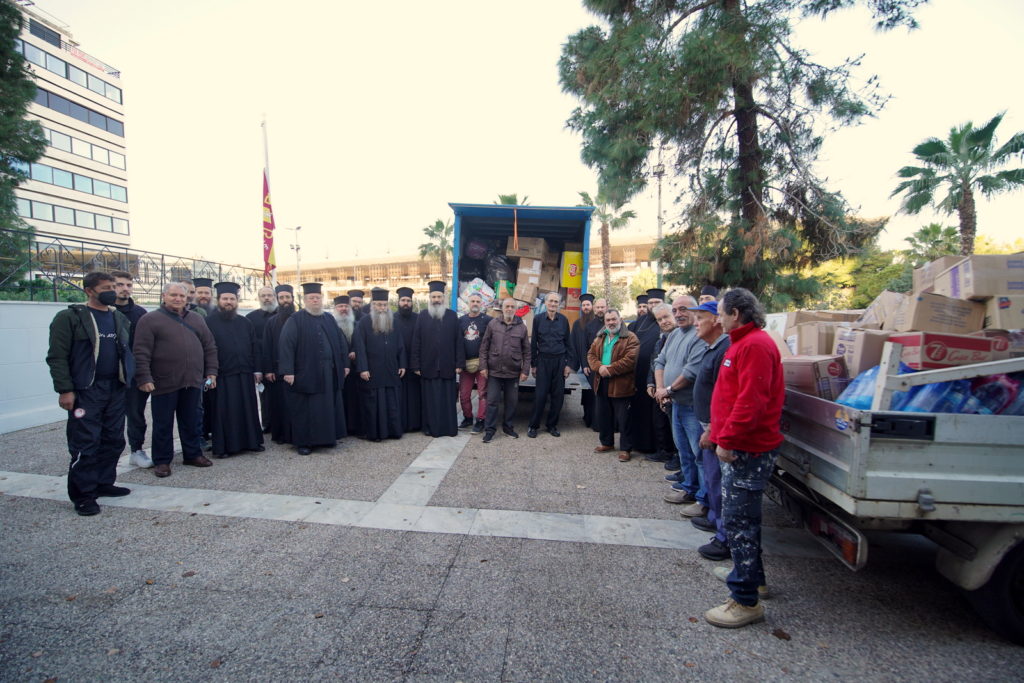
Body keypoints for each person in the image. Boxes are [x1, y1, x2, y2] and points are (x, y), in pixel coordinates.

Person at [704, 288, 785, 629]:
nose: (717, 318)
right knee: (745, 521)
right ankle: (752, 576)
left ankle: (744, 600)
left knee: (739, 523)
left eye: (721, 312)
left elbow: (750, 402)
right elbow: (731, 397)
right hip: (739, 446)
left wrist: (729, 440)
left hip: (746, 450)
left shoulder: (754, 345)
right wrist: (714, 432)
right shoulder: (742, 343)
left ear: (736, 313)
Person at [46, 271, 133, 516]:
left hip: (114, 388)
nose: (112, 291)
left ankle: (104, 482)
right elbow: (57, 357)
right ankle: (83, 495)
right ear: (89, 291)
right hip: (86, 390)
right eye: (106, 287)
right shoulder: (70, 317)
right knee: (86, 442)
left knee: (113, 439)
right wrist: (65, 390)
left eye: (113, 287)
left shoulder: (118, 318)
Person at [133, 282, 218, 478]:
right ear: (164, 296)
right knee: (163, 424)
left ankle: (193, 454)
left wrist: (211, 372)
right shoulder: (150, 320)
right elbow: (141, 351)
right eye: (173, 295)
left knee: (192, 420)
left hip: (193, 380)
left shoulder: (196, 319)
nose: (178, 299)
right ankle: (162, 461)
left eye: (182, 295)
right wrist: (144, 377)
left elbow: (209, 346)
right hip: (163, 381)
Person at [278, 282, 349, 455]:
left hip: (328, 372)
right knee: (306, 410)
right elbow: (286, 345)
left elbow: (340, 343)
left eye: (318, 297)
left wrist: (344, 365)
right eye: (311, 298)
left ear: (322, 299)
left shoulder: (329, 318)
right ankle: (305, 443)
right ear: (305, 300)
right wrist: (288, 371)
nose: (315, 301)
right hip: (305, 372)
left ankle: (326, 439)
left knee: (327, 407)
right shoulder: (295, 319)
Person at [687, 300, 732, 561]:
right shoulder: (712, 348)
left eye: (700, 317)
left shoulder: (725, 349)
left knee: (719, 482)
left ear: (716, 320)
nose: (696, 323)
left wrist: (712, 429)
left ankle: (724, 536)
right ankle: (715, 520)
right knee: (713, 481)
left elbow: (723, 395)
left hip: (715, 430)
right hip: (709, 427)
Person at [655, 295, 708, 514]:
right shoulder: (675, 334)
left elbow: (691, 372)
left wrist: (668, 389)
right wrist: (660, 389)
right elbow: (660, 361)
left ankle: (704, 499)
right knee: (683, 450)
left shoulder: (699, 335)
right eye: (675, 310)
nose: (678, 314)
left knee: (699, 454)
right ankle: (689, 487)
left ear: (696, 311)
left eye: (683, 309)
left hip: (691, 405)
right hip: (675, 402)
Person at [205, 282, 264, 458]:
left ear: (237, 301)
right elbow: (206, 348)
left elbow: (254, 347)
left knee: (248, 409)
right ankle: (225, 447)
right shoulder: (208, 322)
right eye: (225, 299)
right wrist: (210, 372)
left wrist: (257, 370)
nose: (228, 302)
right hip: (222, 375)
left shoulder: (245, 322)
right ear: (218, 300)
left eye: (232, 298)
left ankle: (251, 442)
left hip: (245, 373)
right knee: (224, 413)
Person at [411, 280, 464, 438]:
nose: (436, 300)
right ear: (430, 298)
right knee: (430, 401)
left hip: (448, 366)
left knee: (447, 401)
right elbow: (416, 342)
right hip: (428, 366)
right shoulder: (422, 316)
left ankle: (448, 429)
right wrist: (416, 365)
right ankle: (431, 428)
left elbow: (458, 341)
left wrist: (459, 363)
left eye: (439, 297)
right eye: (433, 297)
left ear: (443, 298)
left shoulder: (452, 316)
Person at [353, 288, 406, 441]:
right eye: (378, 305)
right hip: (373, 370)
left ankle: (393, 431)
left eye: (384, 305)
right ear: (373, 305)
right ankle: (376, 433)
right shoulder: (363, 322)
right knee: (374, 403)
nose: (382, 308)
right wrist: (363, 368)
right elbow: (359, 347)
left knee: (391, 401)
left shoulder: (393, 322)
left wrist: (402, 364)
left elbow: (400, 345)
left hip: (391, 369)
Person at [110, 270, 151, 469]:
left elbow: (147, 345)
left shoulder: (140, 314)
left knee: (136, 414)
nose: (124, 289)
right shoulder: (103, 311)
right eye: (119, 285)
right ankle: (108, 454)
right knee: (110, 416)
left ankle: (137, 450)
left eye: (128, 285)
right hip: (108, 375)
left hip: (134, 375)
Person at [587, 309, 639, 461]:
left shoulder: (630, 337)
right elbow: (590, 355)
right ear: (605, 322)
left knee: (624, 419)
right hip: (601, 381)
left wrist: (609, 369)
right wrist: (599, 367)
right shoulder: (600, 337)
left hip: (621, 384)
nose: (611, 322)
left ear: (620, 319)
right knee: (604, 415)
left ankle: (626, 449)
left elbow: (630, 360)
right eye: (608, 320)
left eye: (613, 319)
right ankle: (607, 443)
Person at [478, 298, 530, 444]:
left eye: (512, 307)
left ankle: (508, 427)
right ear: (502, 308)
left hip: (513, 373)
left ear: (515, 309)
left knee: (512, 402)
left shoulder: (521, 327)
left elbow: (527, 351)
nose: (509, 309)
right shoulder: (493, 324)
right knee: (492, 401)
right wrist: (483, 367)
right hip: (494, 372)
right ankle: (490, 430)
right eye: (507, 306)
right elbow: (484, 347)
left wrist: (525, 370)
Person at [528, 291, 574, 438]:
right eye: (551, 301)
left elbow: (568, 343)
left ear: (559, 304)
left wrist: (568, 365)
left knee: (558, 396)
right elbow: (533, 343)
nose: (553, 304)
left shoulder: (564, 320)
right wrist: (534, 364)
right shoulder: (538, 319)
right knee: (540, 396)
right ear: (546, 303)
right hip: (543, 361)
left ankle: (552, 425)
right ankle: (533, 426)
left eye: (556, 302)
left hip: (559, 362)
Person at [626, 288, 665, 454]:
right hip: (638, 374)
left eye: (657, 302)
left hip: (657, 376)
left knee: (656, 414)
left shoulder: (665, 321)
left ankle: (657, 447)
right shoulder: (640, 322)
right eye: (650, 303)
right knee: (638, 409)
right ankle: (638, 443)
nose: (653, 305)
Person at [643, 303, 678, 464]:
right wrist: (651, 384)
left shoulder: (681, 337)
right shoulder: (661, 339)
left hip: (675, 391)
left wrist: (667, 390)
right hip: (659, 389)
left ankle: (678, 458)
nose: (664, 321)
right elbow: (656, 362)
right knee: (660, 423)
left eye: (666, 317)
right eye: (660, 319)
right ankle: (664, 451)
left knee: (677, 430)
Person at [262, 284, 295, 444]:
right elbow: (266, 347)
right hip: (277, 370)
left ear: (293, 299)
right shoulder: (271, 322)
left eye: (287, 297)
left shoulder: (300, 318)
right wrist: (268, 370)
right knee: (279, 404)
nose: (285, 300)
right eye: (281, 298)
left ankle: (296, 433)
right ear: (277, 299)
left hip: (297, 371)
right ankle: (281, 435)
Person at [246, 286, 277, 433]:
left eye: (269, 295)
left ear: (274, 297)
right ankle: (268, 424)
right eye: (263, 295)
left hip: (282, 362)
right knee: (265, 396)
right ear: (259, 298)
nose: (267, 298)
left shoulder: (287, 315)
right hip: (262, 363)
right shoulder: (251, 318)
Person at [333, 294, 363, 438]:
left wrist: (356, 351)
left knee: (355, 399)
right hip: (338, 369)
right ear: (335, 308)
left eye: (346, 306)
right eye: (340, 306)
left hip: (355, 370)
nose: (343, 309)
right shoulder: (330, 325)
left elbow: (363, 342)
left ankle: (354, 427)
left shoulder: (357, 324)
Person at [458, 292, 488, 433]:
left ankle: (481, 420)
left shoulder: (487, 320)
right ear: (468, 303)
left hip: (482, 364)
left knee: (483, 393)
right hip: (465, 364)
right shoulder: (461, 320)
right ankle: (468, 417)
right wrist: (458, 363)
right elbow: (457, 342)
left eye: (477, 301)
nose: (475, 303)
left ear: (481, 303)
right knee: (464, 394)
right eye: (472, 301)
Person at [393, 287, 422, 433]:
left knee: (415, 395)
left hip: (414, 363)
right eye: (403, 300)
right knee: (400, 396)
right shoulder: (391, 319)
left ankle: (415, 423)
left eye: (409, 301)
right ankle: (402, 424)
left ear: (412, 302)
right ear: (398, 302)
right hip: (398, 365)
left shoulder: (418, 318)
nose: (406, 303)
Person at [570, 292, 597, 427]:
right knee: (586, 393)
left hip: (595, 364)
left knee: (594, 393)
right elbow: (573, 344)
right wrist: (574, 364)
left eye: (588, 305)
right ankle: (587, 417)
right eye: (584, 305)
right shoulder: (576, 324)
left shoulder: (597, 323)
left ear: (592, 306)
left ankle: (594, 420)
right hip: (582, 363)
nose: (585, 307)